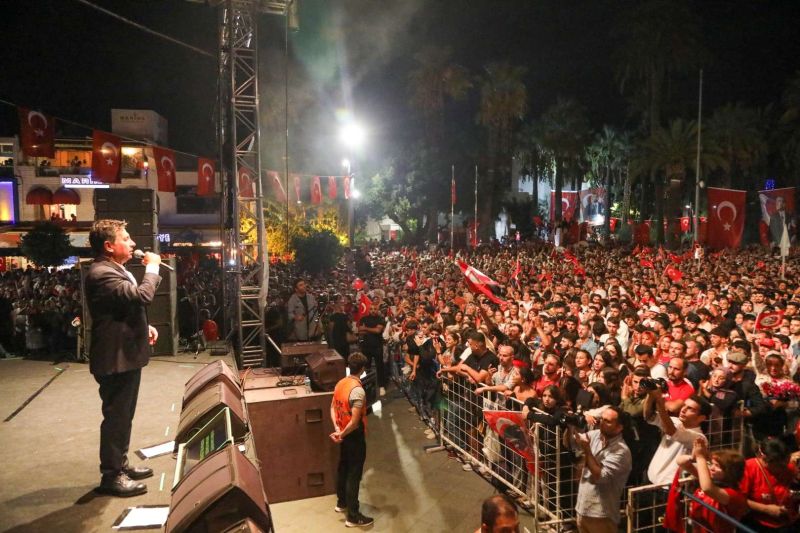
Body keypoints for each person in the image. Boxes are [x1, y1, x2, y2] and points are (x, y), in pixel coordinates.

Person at [85, 219, 161, 497]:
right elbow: (142, 296)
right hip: (114, 358)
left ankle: (121, 464)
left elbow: (124, 308)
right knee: (116, 417)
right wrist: (152, 267)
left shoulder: (115, 269)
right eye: (126, 238)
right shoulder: (101, 273)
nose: (132, 243)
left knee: (124, 416)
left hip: (125, 354)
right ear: (108, 245)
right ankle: (111, 476)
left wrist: (145, 326)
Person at [573, 406, 632, 533]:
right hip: (582, 508)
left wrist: (587, 450)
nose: (601, 423)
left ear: (619, 427)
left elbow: (601, 477)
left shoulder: (621, 451)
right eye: (602, 419)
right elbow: (570, 443)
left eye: (608, 421)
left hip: (601, 514)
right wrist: (569, 427)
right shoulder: (595, 435)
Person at [330, 352, 373, 528]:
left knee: (343, 467)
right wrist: (343, 433)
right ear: (362, 369)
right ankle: (353, 517)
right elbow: (355, 422)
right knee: (354, 475)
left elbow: (332, 407)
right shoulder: (357, 390)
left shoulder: (341, 383)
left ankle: (341, 503)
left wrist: (338, 430)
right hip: (353, 436)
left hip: (343, 432)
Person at [676, 438, 747, 533]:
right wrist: (693, 457)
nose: (712, 468)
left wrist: (700, 457)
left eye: (717, 466)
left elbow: (707, 488)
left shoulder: (733, 494)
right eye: (712, 464)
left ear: (730, 472)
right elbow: (681, 462)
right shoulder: (710, 479)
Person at [739, 437, 800, 532]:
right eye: (780, 465)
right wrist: (766, 509)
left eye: (787, 462)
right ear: (765, 460)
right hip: (758, 525)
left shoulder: (789, 467)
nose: (785, 468)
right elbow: (738, 499)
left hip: (789, 523)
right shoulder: (749, 468)